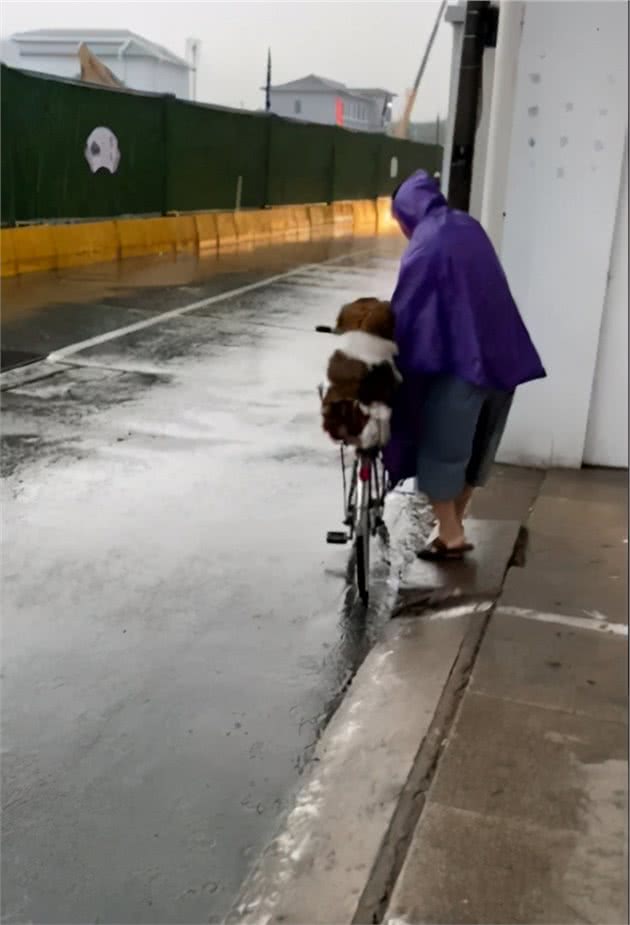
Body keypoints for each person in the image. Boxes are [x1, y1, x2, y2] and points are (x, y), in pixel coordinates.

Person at [383, 170, 546, 561]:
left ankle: (452, 535)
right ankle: (450, 528)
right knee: (476, 451)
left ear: (406, 211)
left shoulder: (427, 243)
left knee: (442, 450)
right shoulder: (467, 227)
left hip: (461, 366)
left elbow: (409, 311)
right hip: (503, 359)